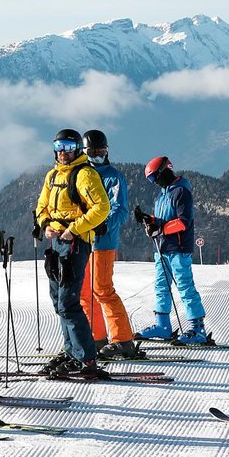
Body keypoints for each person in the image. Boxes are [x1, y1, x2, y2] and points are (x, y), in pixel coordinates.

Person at [35, 128, 111, 380]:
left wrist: (74, 229)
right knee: (58, 300)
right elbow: (42, 206)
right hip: (56, 242)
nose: (63, 152)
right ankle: (72, 352)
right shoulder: (53, 175)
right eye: (59, 146)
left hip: (75, 242)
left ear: (78, 148)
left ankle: (86, 357)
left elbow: (102, 207)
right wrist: (46, 225)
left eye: (68, 147)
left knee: (68, 301)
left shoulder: (85, 174)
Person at [78, 130, 142, 360]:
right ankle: (96, 337)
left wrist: (102, 225)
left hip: (103, 242)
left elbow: (120, 209)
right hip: (82, 242)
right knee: (85, 292)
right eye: (92, 153)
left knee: (102, 289)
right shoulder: (81, 175)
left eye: (100, 152)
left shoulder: (112, 176)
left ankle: (123, 339)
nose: (96, 156)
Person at [136, 155, 210, 345]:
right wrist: (150, 220)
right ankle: (163, 326)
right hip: (162, 248)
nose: (154, 183)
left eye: (154, 178)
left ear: (164, 171)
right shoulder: (162, 194)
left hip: (178, 248)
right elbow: (163, 220)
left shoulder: (181, 192)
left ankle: (198, 328)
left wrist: (159, 228)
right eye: (150, 180)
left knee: (185, 286)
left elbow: (183, 222)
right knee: (161, 287)